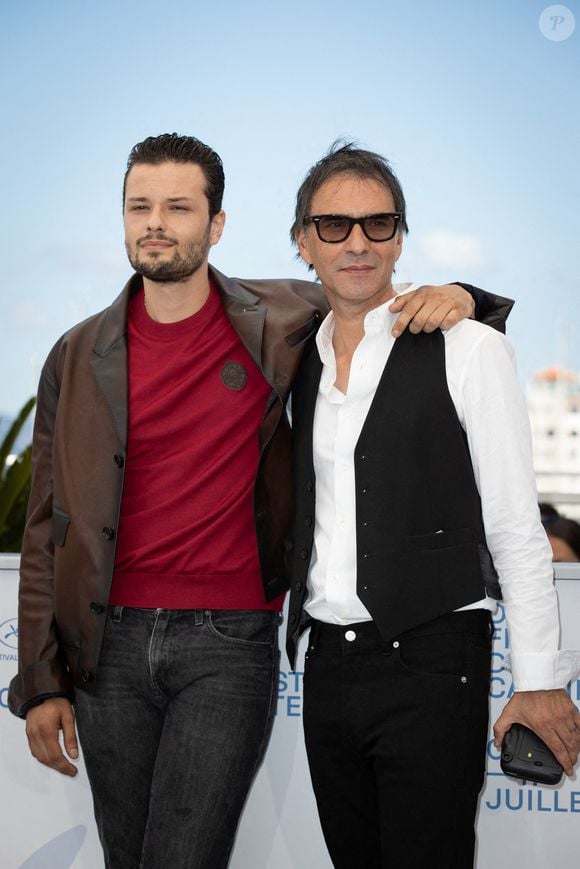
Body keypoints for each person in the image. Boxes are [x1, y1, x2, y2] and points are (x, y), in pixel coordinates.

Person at [9, 133, 507, 869]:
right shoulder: (76, 353)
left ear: (215, 225)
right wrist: (42, 679)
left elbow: (366, 282)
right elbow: (46, 522)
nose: (156, 222)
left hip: (227, 641)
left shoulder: (277, 317)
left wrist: (469, 296)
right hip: (105, 647)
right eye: (139, 205)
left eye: (178, 207)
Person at [286, 142, 580, 869]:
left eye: (378, 224)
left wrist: (540, 680)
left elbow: (516, 525)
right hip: (326, 666)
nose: (357, 241)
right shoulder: (294, 353)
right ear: (303, 243)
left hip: (433, 658)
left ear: (400, 238)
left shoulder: (468, 346)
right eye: (333, 225)